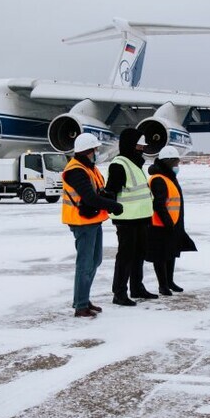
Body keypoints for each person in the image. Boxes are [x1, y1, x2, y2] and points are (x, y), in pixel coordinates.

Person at [62, 133, 123, 318]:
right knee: (85, 264)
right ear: (87, 151)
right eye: (94, 150)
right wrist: (113, 205)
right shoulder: (76, 171)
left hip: (93, 220)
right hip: (82, 222)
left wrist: (108, 197)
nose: (96, 153)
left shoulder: (88, 168)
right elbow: (89, 197)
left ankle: (83, 299)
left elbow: (97, 191)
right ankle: (80, 305)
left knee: (94, 261)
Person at [104, 128, 156, 306]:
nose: (142, 148)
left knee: (139, 254)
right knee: (125, 257)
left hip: (141, 218)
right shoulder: (119, 164)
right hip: (126, 220)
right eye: (140, 145)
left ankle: (137, 287)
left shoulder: (135, 164)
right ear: (131, 145)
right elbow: (111, 191)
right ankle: (119, 293)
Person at [146, 146, 197, 296]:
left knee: (171, 253)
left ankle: (170, 281)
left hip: (172, 224)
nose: (177, 166)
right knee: (160, 256)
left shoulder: (169, 178)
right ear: (168, 162)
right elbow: (159, 205)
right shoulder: (159, 179)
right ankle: (163, 285)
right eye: (175, 163)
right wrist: (168, 223)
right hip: (160, 225)